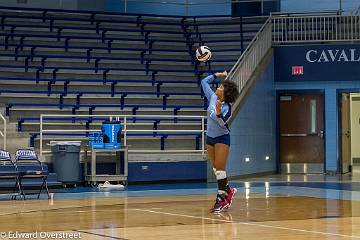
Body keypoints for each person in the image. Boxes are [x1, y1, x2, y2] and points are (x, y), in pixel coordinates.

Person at [201, 70, 239, 213]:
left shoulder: (227, 108)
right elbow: (204, 82)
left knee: (220, 168)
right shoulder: (212, 97)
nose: (218, 87)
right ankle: (228, 191)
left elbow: (223, 123)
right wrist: (217, 75)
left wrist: (218, 112)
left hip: (222, 138)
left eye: (221, 87)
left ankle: (220, 199)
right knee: (216, 169)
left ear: (225, 93)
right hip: (210, 137)